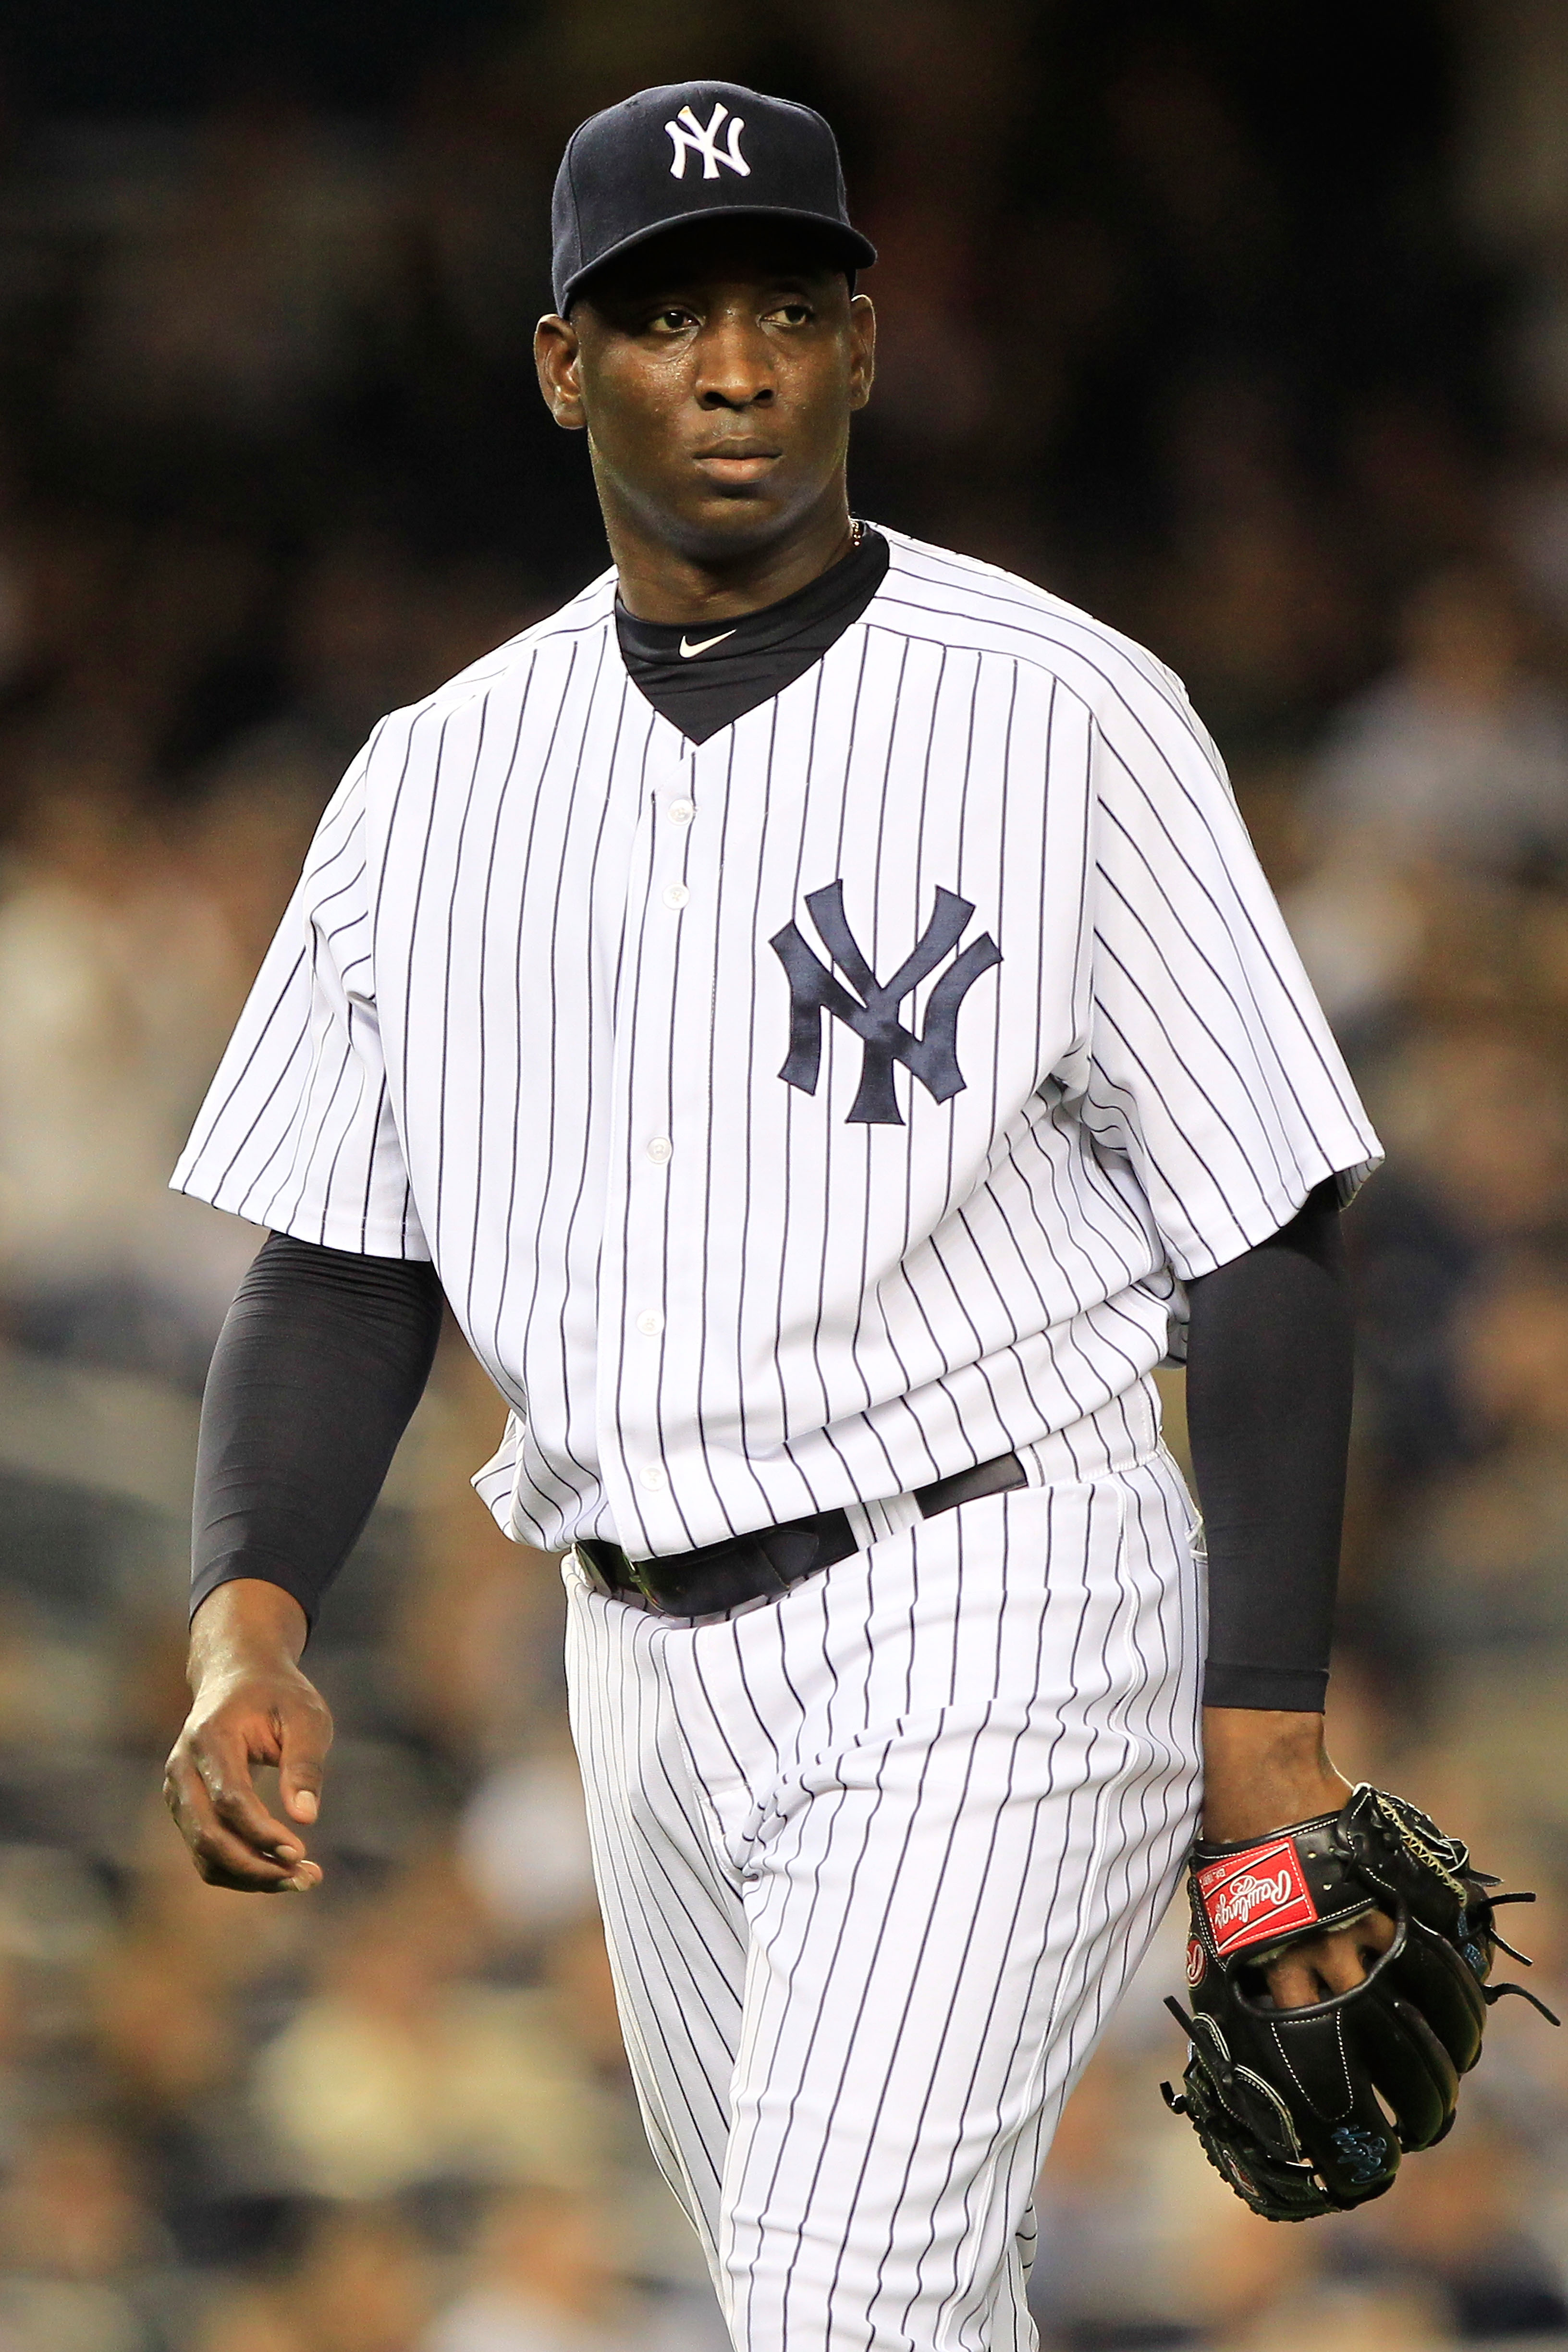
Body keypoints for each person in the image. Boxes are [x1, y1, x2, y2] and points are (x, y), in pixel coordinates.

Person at [163, 82, 1389, 2352]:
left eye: (781, 309)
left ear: (863, 341)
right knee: (837, 2309)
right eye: (662, 318)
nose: (728, 365)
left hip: (995, 1588)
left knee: (842, 2304)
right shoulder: (433, 780)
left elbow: (1266, 1225)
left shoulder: (1066, 712)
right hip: (633, 1651)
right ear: (562, 365)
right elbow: (341, 1263)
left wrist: (1269, 1732)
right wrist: (253, 1622)